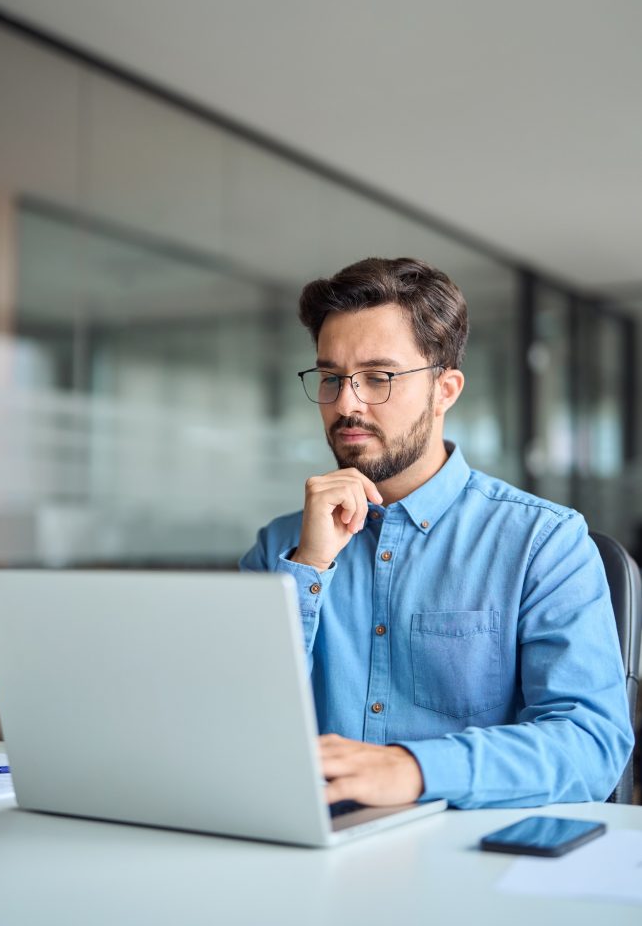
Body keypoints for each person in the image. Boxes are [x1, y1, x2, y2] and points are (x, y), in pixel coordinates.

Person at [240, 257, 633, 809]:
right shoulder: (280, 547)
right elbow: (237, 728)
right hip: (304, 851)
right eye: (331, 377)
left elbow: (590, 747)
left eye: (378, 377)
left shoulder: (544, 543)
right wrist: (308, 568)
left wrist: (414, 769)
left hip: (469, 862)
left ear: (445, 389)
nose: (346, 403)